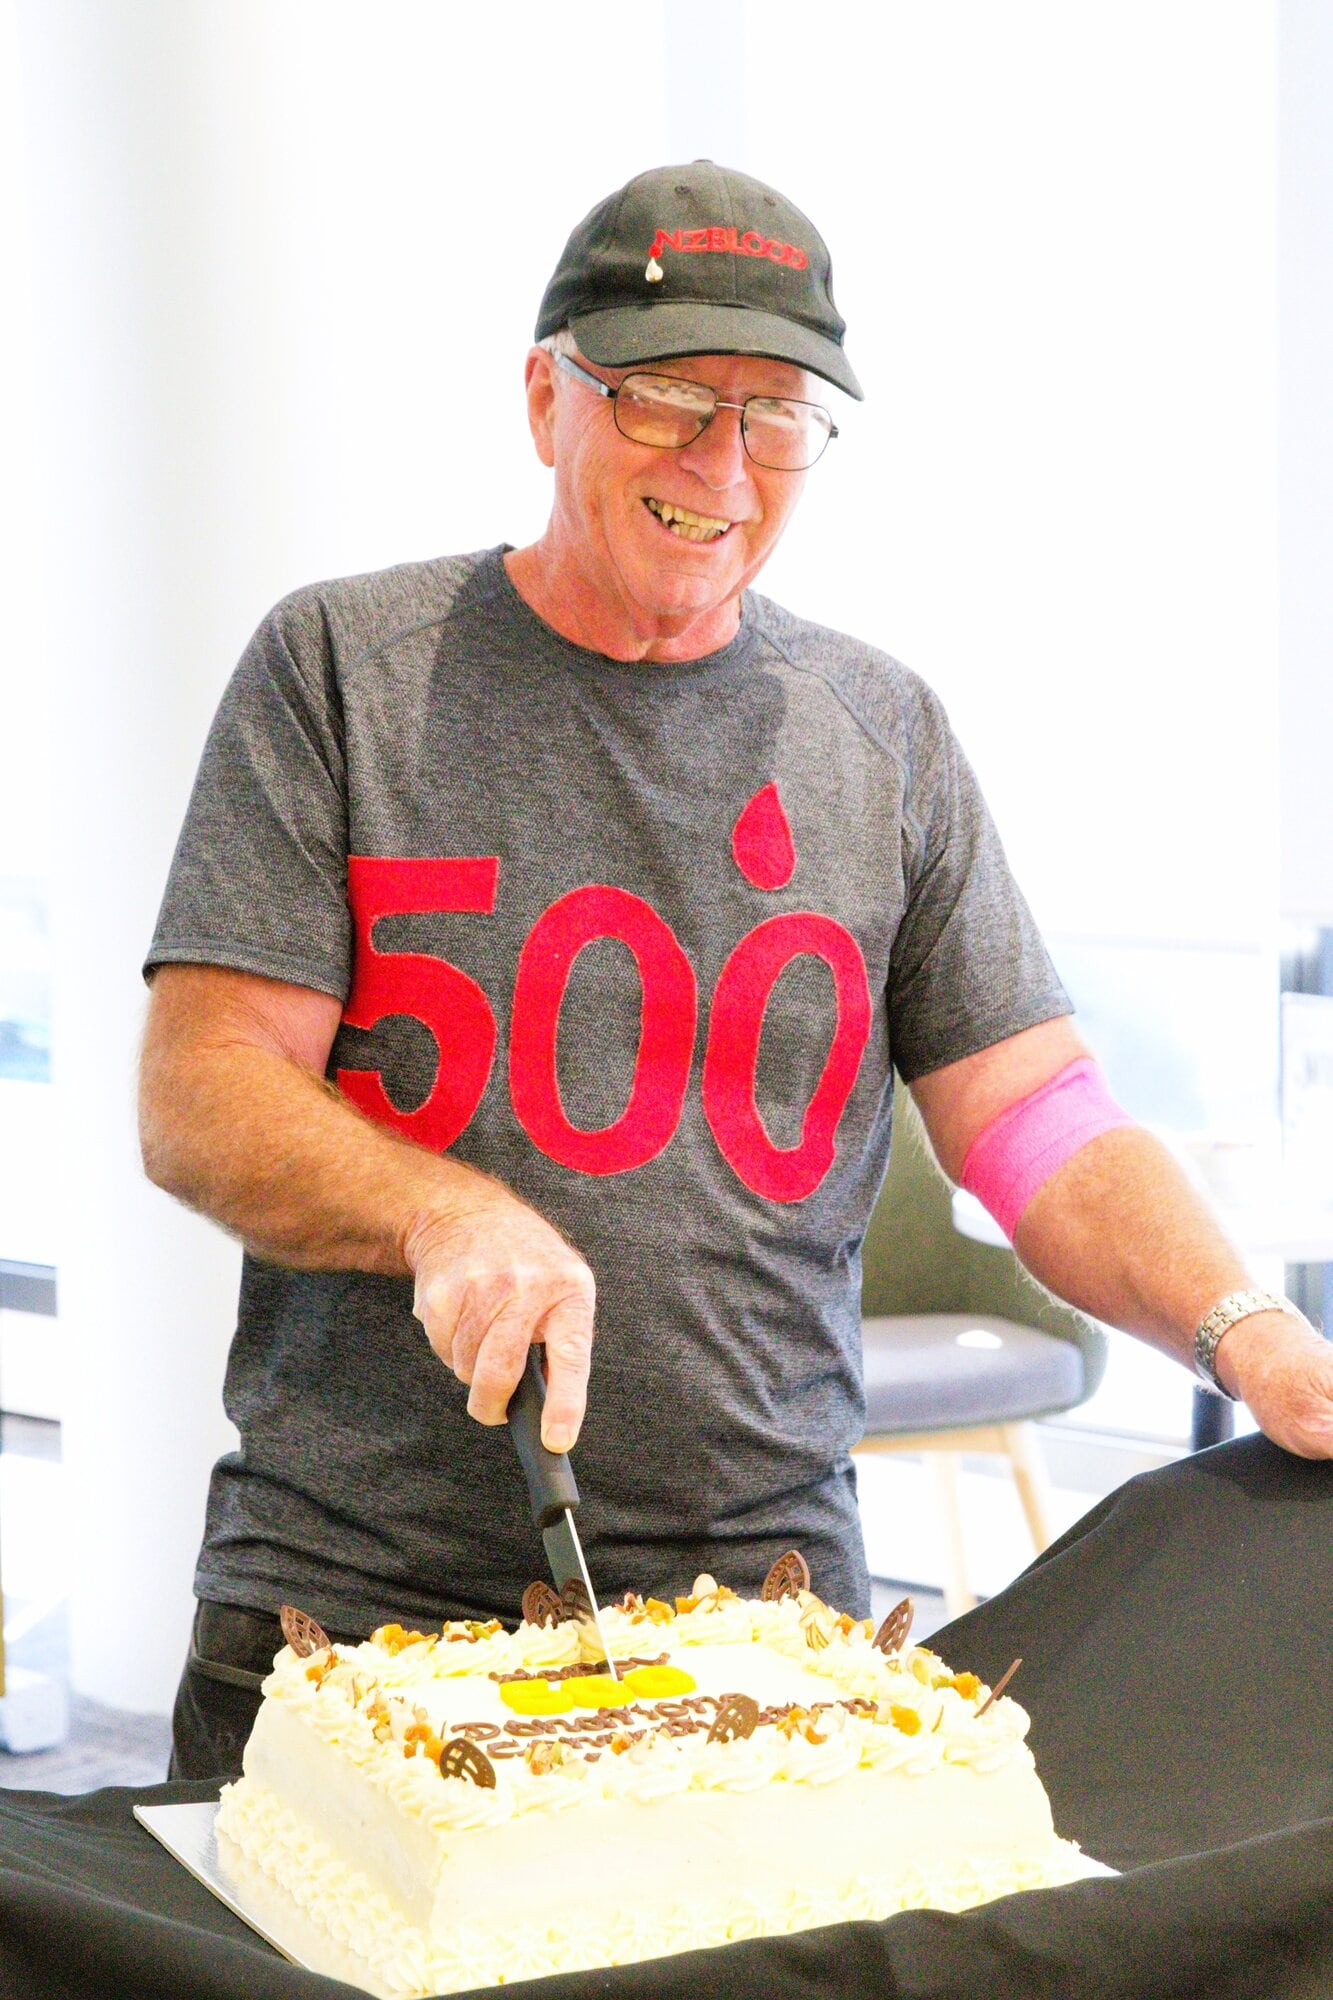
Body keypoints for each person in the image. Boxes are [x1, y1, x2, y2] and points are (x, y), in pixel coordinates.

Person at [139, 161, 1333, 1781]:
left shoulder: (880, 731)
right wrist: (443, 1208)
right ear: (545, 397)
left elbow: (1035, 1121)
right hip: (353, 1610)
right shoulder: (345, 669)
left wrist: (1245, 1328)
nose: (722, 464)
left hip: (767, 1619)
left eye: (776, 416)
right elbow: (203, 1094)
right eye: (666, 401)